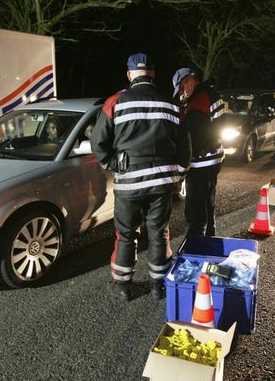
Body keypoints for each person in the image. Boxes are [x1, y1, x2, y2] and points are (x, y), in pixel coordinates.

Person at [90, 52, 191, 301]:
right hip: (160, 184)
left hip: (129, 184)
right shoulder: (171, 105)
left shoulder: (115, 102)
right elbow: (184, 147)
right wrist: (178, 173)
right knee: (159, 232)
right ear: (154, 74)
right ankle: (158, 285)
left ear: (129, 75)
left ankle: (123, 286)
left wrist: (112, 163)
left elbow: (98, 142)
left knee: (126, 234)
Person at [172, 67, 224, 237]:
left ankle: (193, 250)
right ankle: (209, 241)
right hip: (211, 159)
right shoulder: (207, 95)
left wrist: (187, 155)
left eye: (181, 88)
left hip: (201, 161)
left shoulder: (201, 99)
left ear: (190, 80)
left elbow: (194, 136)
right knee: (208, 204)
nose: (182, 93)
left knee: (195, 210)